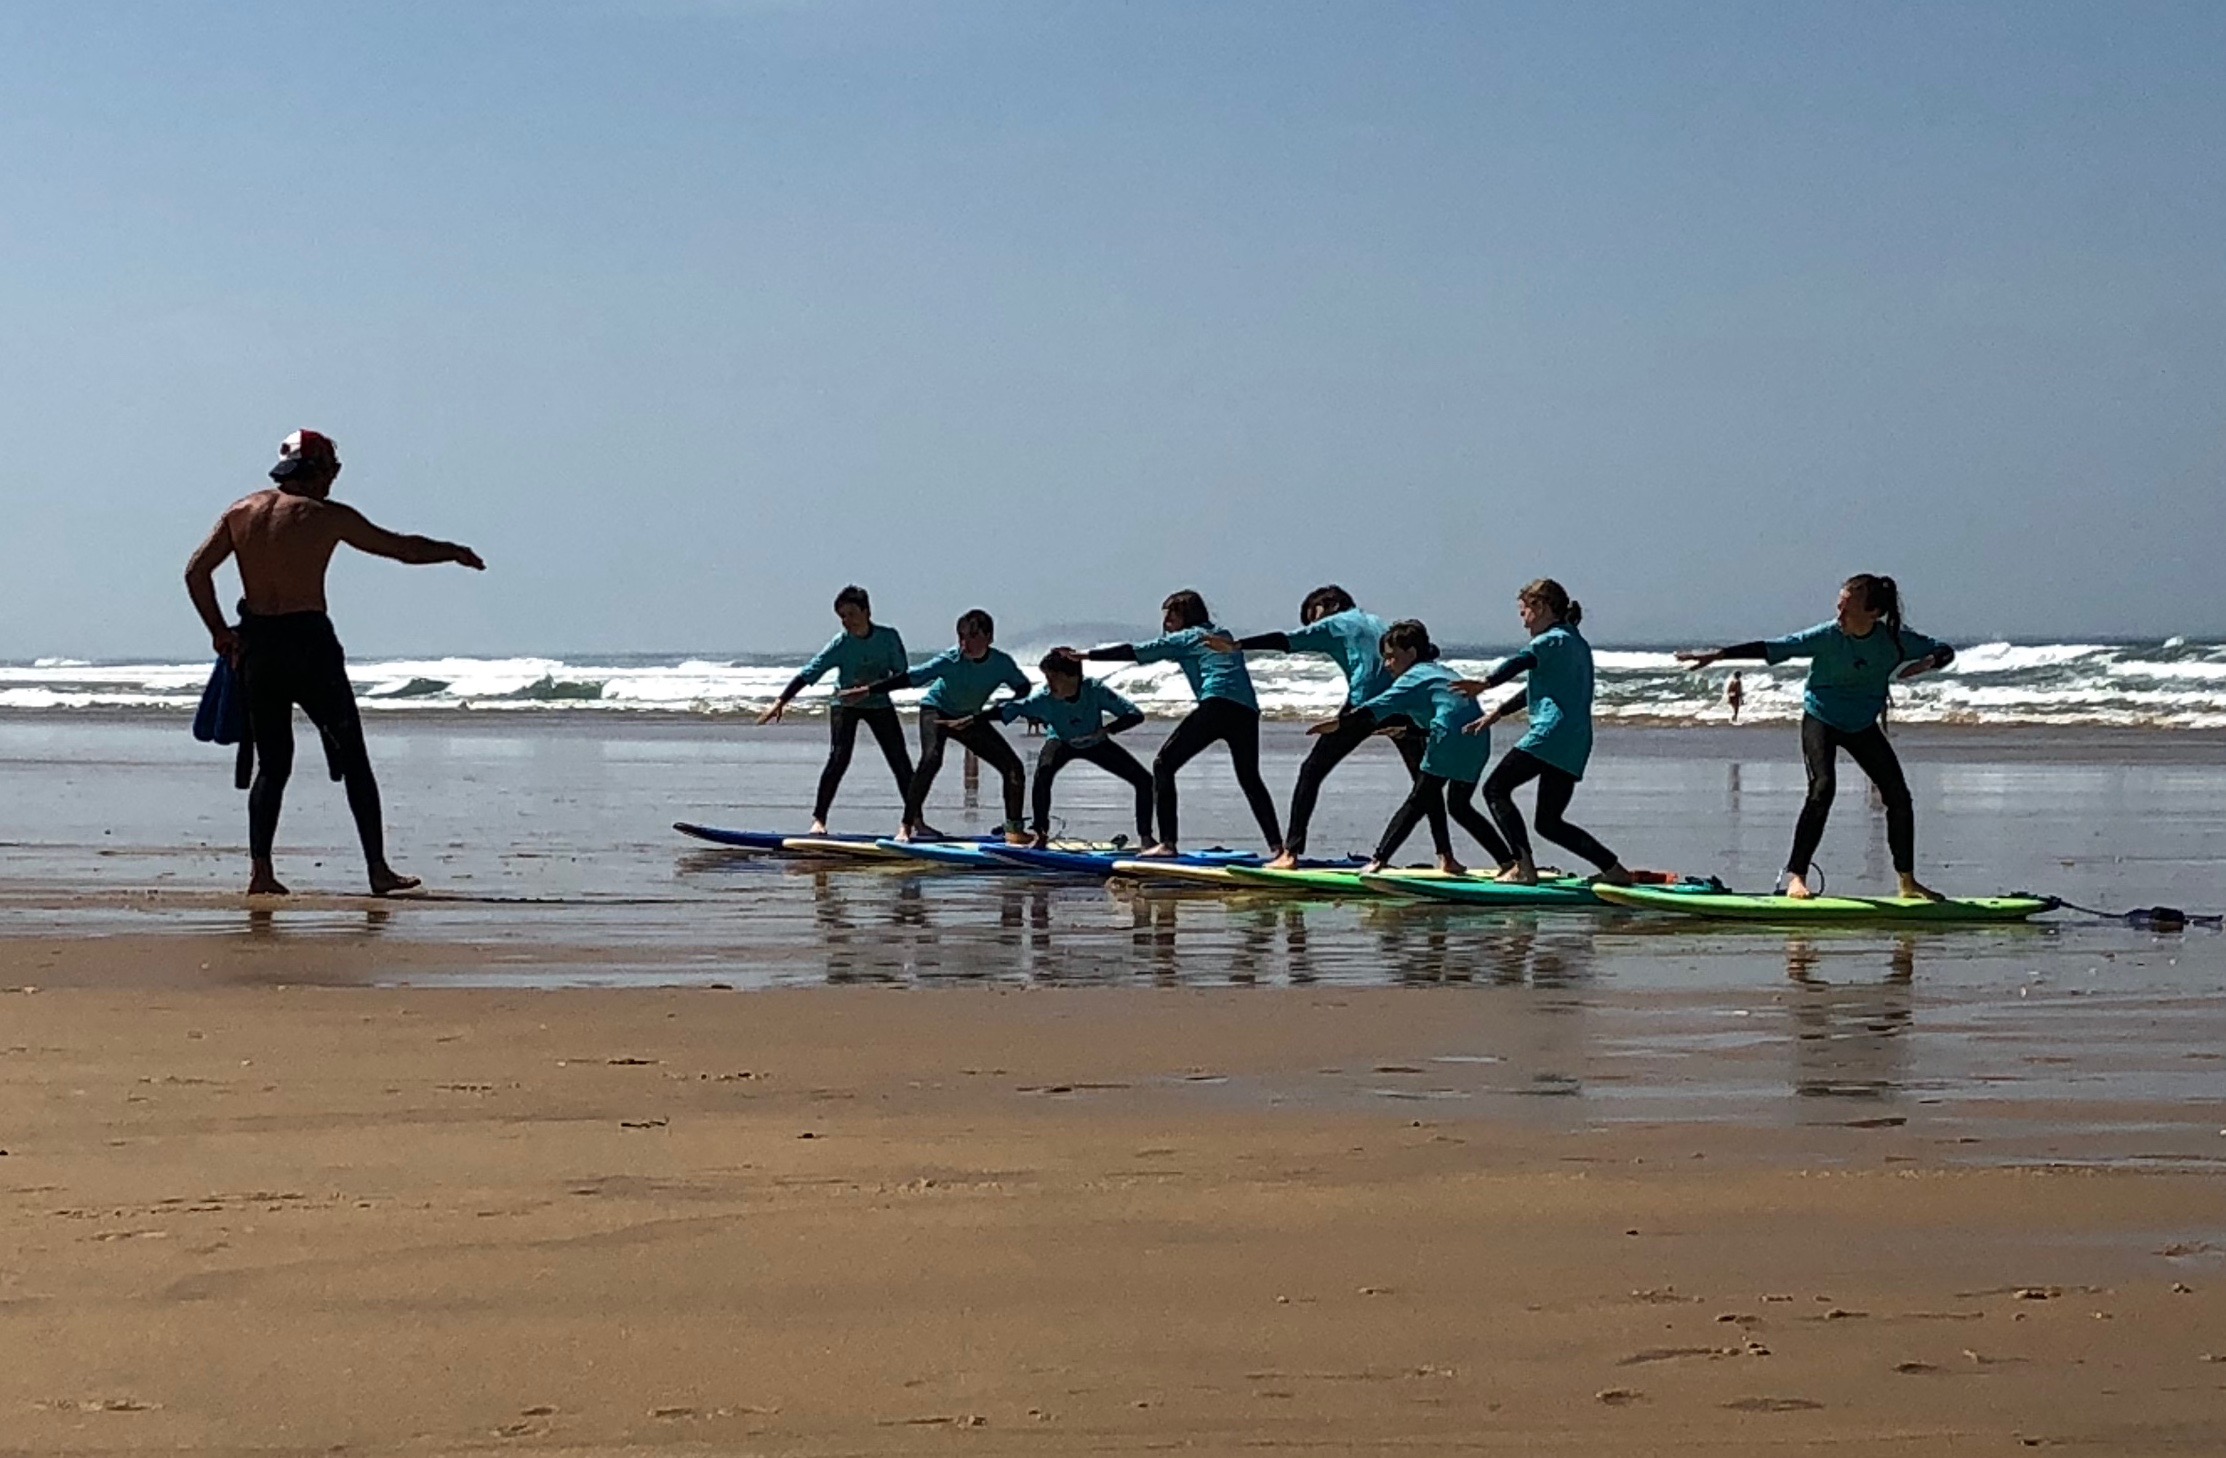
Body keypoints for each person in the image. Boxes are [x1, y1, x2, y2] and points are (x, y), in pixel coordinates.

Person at [183, 429, 484, 896]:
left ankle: (261, 873)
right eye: (331, 471)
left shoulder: (240, 512)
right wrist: (451, 552)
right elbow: (400, 548)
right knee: (353, 757)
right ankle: (378, 870)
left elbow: (196, 572)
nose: (333, 481)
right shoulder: (324, 516)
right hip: (308, 646)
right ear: (315, 469)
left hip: (258, 647)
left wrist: (220, 633)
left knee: (273, 765)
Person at [1676, 574, 1954, 900]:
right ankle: (1797, 877)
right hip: (1821, 718)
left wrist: (1928, 663)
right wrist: (1720, 655)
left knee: (1898, 796)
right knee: (1823, 788)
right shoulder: (1827, 636)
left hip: (1862, 725)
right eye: (1839, 607)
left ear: (1873, 613)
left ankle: (1907, 882)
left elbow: (1944, 650)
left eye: (1847, 609)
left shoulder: (1894, 641)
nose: (1839, 615)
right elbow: (1778, 647)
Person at [1205, 585, 1425, 869]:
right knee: (1424, 783)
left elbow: (1287, 640)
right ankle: (1446, 857)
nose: (1312, 625)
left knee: (1311, 771)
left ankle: (1290, 853)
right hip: (1404, 702)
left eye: (1313, 616)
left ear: (1330, 605)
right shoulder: (1377, 622)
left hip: (1365, 704)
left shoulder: (1335, 623)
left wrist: (1237, 645)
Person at [1066, 591, 1284, 857]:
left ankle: (1167, 844)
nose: (1166, 619)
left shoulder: (1185, 638)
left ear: (1187, 615)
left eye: (1173, 613)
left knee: (1163, 764)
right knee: (1250, 778)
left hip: (1217, 704)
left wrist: (1085, 656)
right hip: (1247, 710)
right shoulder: (1222, 633)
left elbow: (1136, 651)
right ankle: (1279, 849)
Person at [1453, 579, 1633, 886]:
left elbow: (1520, 662)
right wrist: (1497, 713)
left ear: (1541, 607)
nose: (1524, 622)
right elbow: (1540, 688)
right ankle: (1614, 870)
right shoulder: (1574, 641)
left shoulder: (1549, 640)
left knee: (1495, 789)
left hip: (1550, 734)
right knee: (1549, 823)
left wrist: (1485, 683)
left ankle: (1523, 868)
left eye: (1524, 612)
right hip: (1576, 741)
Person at [1309, 620, 1513, 876]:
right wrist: (1409, 731)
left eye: (1391, 657)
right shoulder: (1441, 671)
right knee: (1460, 807)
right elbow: (1453, 712)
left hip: (1448, 740)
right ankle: (1508, 862)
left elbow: (1376, 707)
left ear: (1412, 653)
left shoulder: (1412, 678)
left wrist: (1339, 723)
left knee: (1417, 801)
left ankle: (1378, 860)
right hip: (1478, 739)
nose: (1387, 664)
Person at [844, 608, 1030, 843]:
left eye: (972, 637)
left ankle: (1014, 829)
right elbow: (912, 678)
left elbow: (1023, 687)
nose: (965, 644)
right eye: (961, 637)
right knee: (931, 759)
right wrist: (868, 690)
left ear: (989, 638)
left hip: (967, 718)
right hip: (936, 712)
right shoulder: (950, 660)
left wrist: (1002, 706)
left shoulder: (1001, 664)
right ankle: (907, 826)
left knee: (1013, 767)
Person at [946, 652, 1152, 848]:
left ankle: (1146, 838)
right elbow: (1009, 709)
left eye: (1054, 678)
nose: (1049, 684)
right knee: (1043, 774)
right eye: (1047, 678)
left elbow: (1134, 714)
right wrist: (972, 719)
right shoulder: (1044, 698)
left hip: (1094, 742)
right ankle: (1040, 833)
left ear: (1073, 677)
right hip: (1060, 741)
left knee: (1144, 780)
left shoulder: (1094, 690)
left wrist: (1106, 730)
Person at [759, 586, 913, 834]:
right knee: (839, 758)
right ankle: (819, 820)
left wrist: (870, 689)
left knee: (899, 759)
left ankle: (916, 821)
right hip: (845, 705)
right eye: (842, 616)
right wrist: (781, 701)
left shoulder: (888, 638)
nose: (846, 621)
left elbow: (902, 675)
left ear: (867, 611)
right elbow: (810, 673)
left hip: (879, 703)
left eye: (851, 614)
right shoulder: (841, 644)